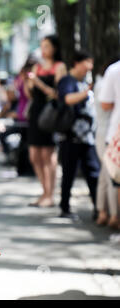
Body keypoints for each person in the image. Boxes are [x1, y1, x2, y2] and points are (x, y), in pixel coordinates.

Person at [57, 51, 99, 220]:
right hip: (71, 135)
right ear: (76, 62)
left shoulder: (83, 81)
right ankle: (65, 207)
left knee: (93, 171)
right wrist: (86, 92)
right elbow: (67, 99)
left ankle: (98, 208)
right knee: (69, 172)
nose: (88, 67)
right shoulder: (68, 81)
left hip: (87, 136)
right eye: (86, 63)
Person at [26, 35, 67, 207]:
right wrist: (29, 82)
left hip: (50, 114)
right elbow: (30, 93)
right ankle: (44, 191)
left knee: (48, 154)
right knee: (34, 155)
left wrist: (39, 83)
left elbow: (57, 93)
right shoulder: (37, 67)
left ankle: (50, 194)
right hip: (35, 112)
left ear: (55, 48)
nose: (44, 50)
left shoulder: (60, 67)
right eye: (42, 46)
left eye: (47, 46)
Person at [94, 56, 119, 227]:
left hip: (113, 134)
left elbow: (105, 104)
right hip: (111, 133)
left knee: (112, 178)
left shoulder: (114, 70)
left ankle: (110, 214)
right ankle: (110, 215)